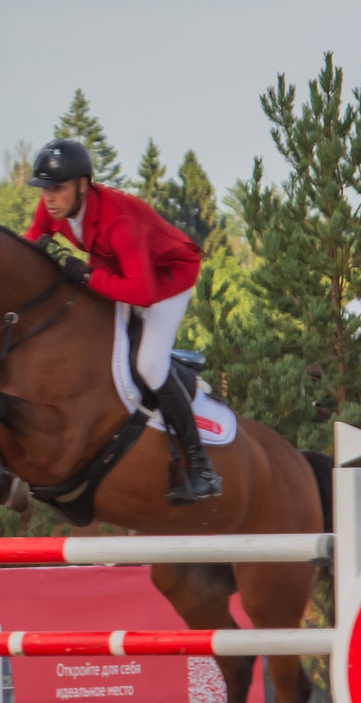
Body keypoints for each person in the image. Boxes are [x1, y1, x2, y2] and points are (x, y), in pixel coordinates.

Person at [23, 139, 221, 504]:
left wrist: (87, 276)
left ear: (82, 185)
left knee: (148, 364)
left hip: (166, 277)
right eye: (44, 188)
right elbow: (31, 246)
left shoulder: (120, 222)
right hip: (117, 268)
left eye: (57, 188)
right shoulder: (52, 207)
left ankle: (202, 468)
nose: (49, 198)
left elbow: (142, 292)